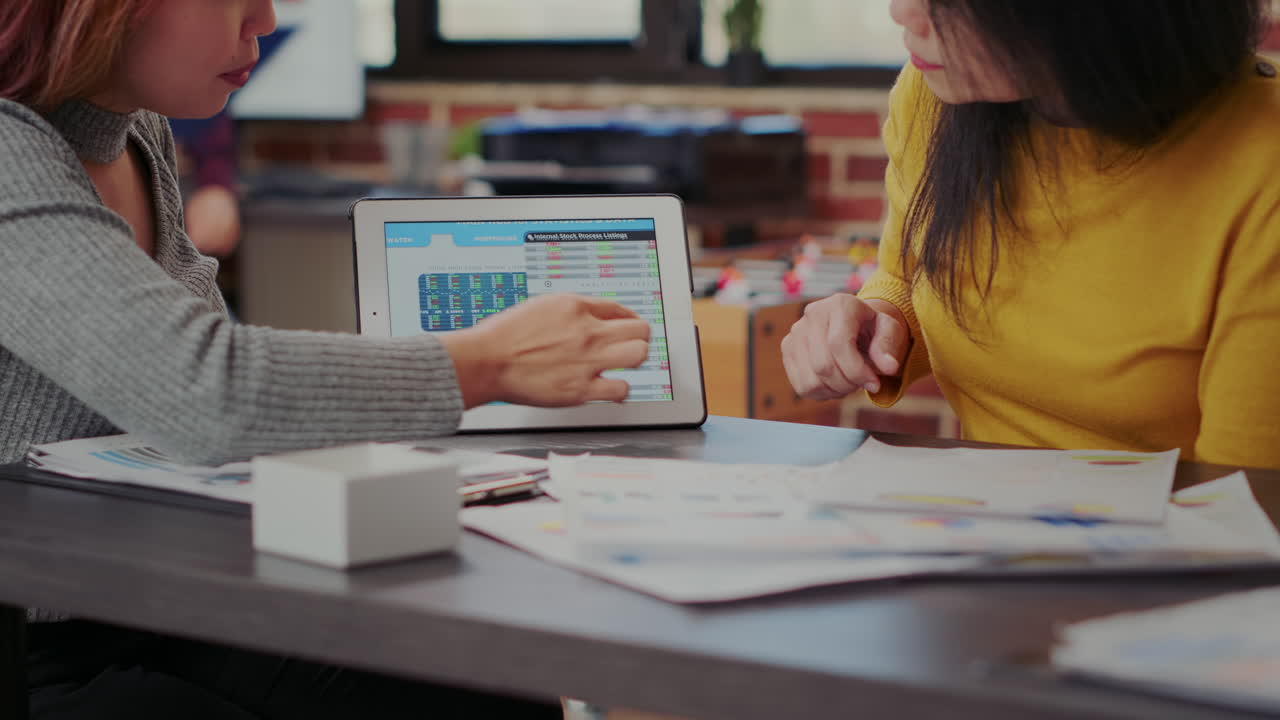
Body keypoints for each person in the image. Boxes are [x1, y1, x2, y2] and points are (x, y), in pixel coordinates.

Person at [0, 0, 649, 716]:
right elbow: (207, 392)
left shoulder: (137, 133)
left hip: (166, 599)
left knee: (482, 686)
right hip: (35, 645)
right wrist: (489, 361)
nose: (265, 19)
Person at [783, 0, 1280, 470]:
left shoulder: (1262, 161)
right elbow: (906, 277)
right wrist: (876, 321)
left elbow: (1244, 511)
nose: (903, 12)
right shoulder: (934, 96)